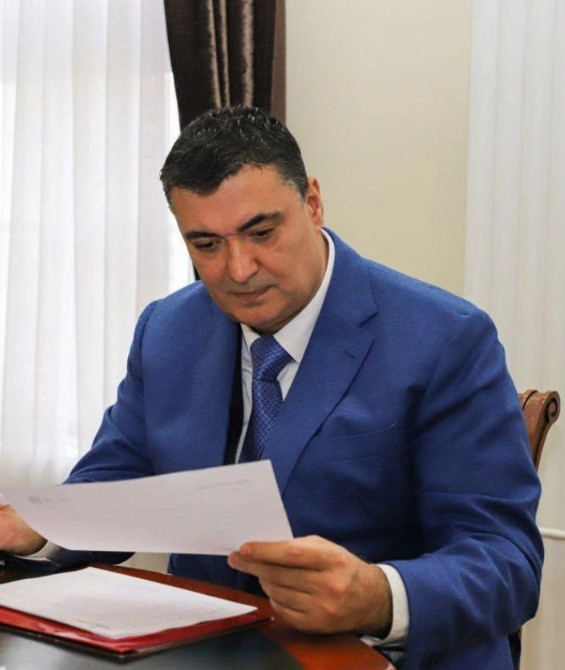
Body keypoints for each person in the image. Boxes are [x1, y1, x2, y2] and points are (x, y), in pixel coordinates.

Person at [0, 106, 542, 670]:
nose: (239, 270)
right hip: (202, 655)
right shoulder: (168, 329)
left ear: (313, 203)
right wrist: (37, 525)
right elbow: (115, 484)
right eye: (206, 244)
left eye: (261, 233)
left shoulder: (445, 338)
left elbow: (507, 563)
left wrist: (377, 595)